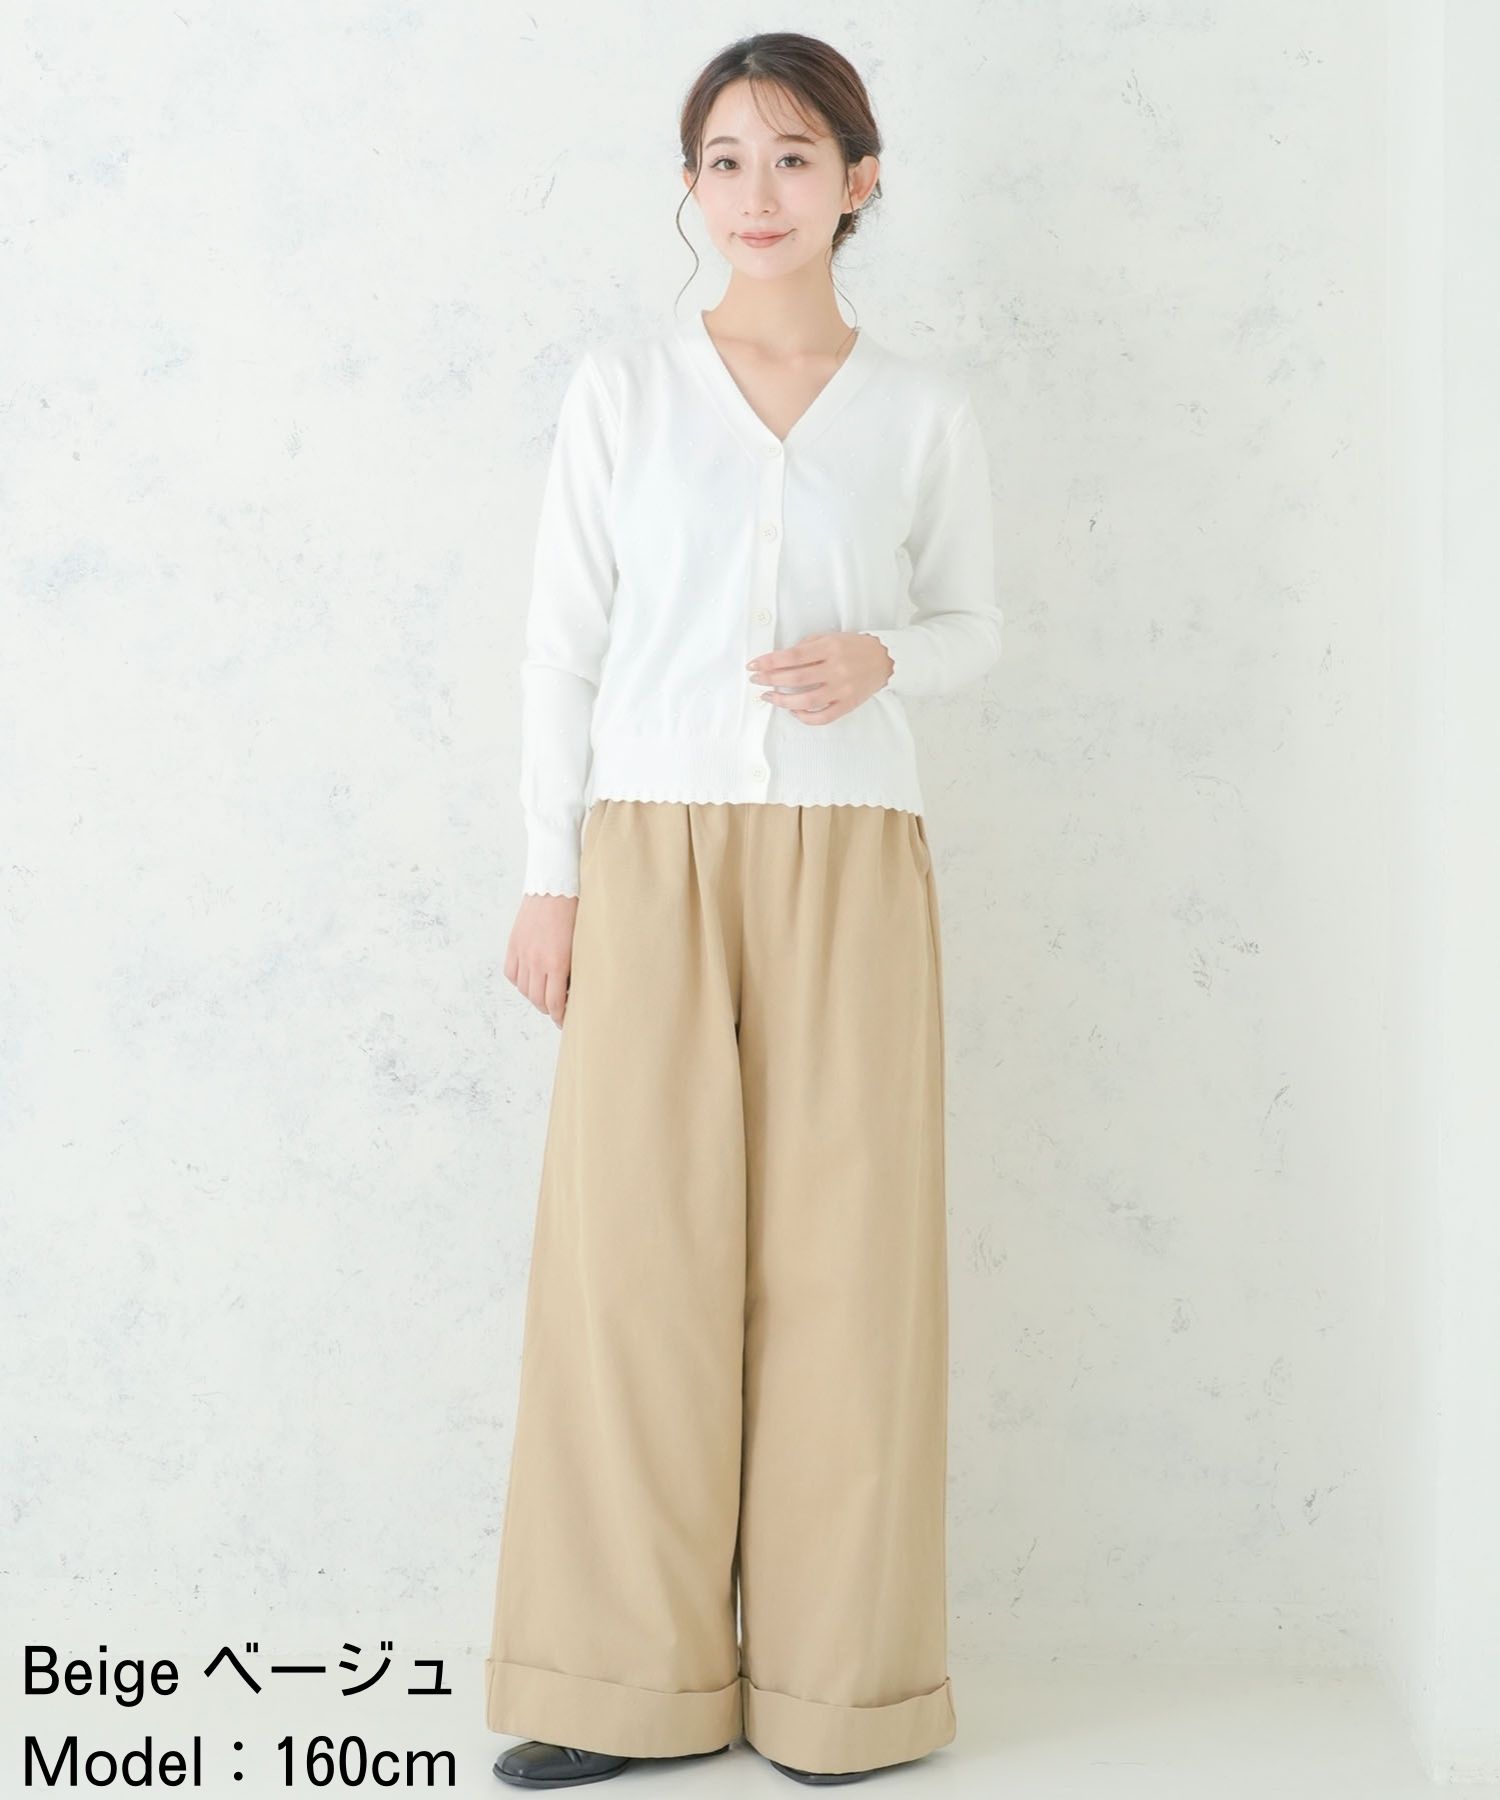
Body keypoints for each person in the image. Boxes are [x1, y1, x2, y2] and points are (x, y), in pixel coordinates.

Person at [485, 30, 1001, 1792]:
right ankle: (614, 1687)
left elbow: (976, 627)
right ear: (691, 187)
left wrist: (885, 659)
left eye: (792, 157)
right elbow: (560, 646)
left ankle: (840, 1694)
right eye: (723, 159)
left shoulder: (922, 412)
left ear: (860, 180)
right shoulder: (624, 389)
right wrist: (549, 875)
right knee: (634, 1267)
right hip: (648, 855)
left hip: (854, 856)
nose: (755, 193)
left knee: (851, 1269)